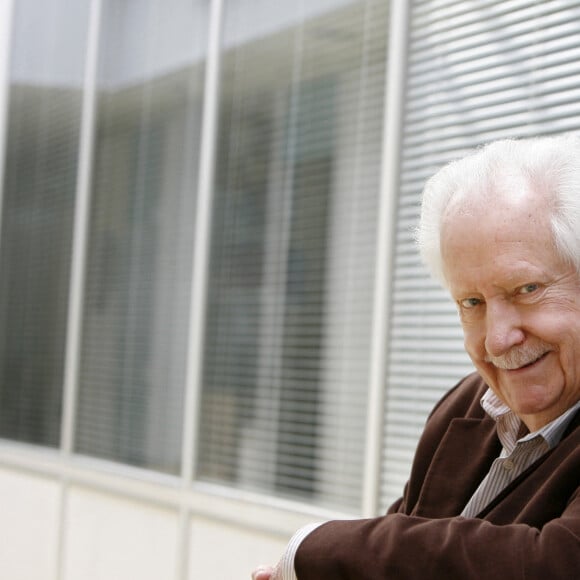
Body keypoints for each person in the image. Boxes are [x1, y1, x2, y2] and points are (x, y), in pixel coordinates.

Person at [251, 134, 580, 579]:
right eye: (471, 303)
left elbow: (556, 563)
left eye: (526, 289)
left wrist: (315, 548)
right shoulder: (468, 404)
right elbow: (406, 536)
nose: (498, 340)